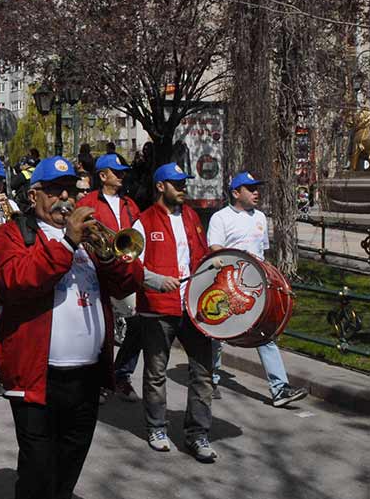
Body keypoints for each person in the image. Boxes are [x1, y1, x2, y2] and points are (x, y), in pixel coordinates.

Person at [0, 156, 143, 499]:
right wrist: (68, 242)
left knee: (67, 472)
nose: (64, 198)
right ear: (34, 193)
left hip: (86, 377)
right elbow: (16, 282)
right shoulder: (14, 235)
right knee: (39, 472)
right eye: (55, 190)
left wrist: (110, 256)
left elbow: (128, 281)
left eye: (70, 190)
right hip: (36, 379)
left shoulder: (89, 241)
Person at [132, 163, 217, 462]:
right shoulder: (144, 222)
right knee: (156, 373)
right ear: (160, 186)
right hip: (158, 309)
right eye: (176, 183)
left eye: (184, 182)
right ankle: (157, 427)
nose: (183, 187)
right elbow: (132, 267)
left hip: (194, 309)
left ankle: (198, 434)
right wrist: (156, 281)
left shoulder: (193, 216)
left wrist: (212, 265)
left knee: (203, 372)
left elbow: (202, 254)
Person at [207, 171, 308, 407]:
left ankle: (279, 389)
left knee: (265, 334)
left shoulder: (261, 217)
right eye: (250, 188)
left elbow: (262, 253)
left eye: (256, 188)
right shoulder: (220, 218)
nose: (256, 192)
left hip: (255, 286)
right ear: (235, 193)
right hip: (227, 285)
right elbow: (215, 249)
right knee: (217, 337)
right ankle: (209, 378)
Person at [78, 154, 144, 403]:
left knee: (137, 325)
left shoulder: (130, 204)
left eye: (123, 172)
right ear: (102, 176)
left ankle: (122, 375)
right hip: (97, 272)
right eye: (116, 172)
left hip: (124, 273)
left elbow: (137, 237)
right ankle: (98, 382)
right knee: (101, 330)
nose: (121, 176)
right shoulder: (86, 202)